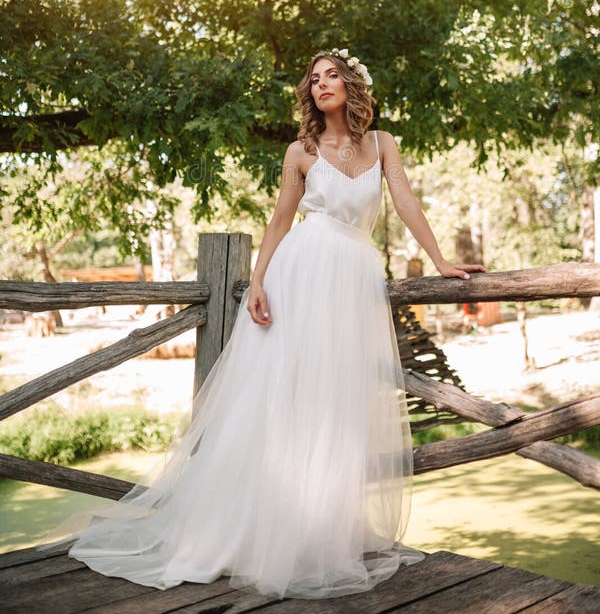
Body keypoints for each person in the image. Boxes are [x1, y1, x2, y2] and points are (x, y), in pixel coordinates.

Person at [42, 48, 485, 600]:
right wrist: (256, 281)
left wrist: (442, 261)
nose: (322, 84)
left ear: (353, 84)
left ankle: (319, 530)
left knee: (332, 402)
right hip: (300, 272)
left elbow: (406, 201)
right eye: (314, 78)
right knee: (280, 398)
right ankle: (246, 531)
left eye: (332, 75)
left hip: (352, 279)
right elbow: (280, 220)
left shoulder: (383, 143)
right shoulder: (300, 151)